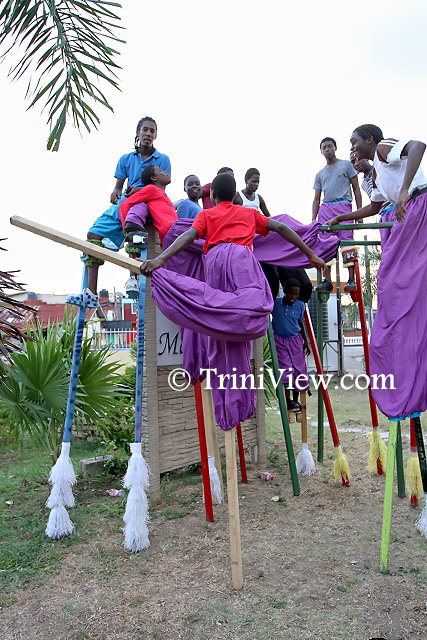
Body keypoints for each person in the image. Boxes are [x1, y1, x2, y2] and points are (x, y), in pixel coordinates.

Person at [139, 173, 325, 430]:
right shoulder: (247, 213)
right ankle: (241, 397)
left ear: (213, 196)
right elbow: (281, 228)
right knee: (246, 316)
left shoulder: (207, 215)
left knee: (220, 330)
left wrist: (161, 258)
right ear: (235, 195)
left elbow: (188, 237)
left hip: (215, 261)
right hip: (242, 260)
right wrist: (310, 254)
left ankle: (228, 407)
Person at [345, 124, 427, 419]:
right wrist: (343, 217)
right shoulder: (378, 174)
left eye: (354, 143)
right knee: (392, 283)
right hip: (409, 209)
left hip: (418, 202)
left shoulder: (382, 149)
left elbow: (418, 145)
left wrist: (404, 190)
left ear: (369, 139)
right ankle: (405, 353)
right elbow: (373, 208)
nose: (352, 149)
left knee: (396, 281)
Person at [66, 117, 171, 307]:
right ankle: (91, 293)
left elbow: (161, 188)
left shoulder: (162, 160)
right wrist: (115, 193)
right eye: (145, 130)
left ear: (156, 135)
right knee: (93, 234)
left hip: (146, 203)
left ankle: (133, 278)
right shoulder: (126, 159)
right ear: (138, 132)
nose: (148, 134)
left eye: (152, 131)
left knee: (133, 227)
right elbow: (118, 187)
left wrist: (139, 191)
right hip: (125, 201)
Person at [312, 137, 362, 292]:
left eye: (329, 146)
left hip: (343, 206)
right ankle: (327, 279)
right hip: (326, 208)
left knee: (347, 241)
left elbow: (356, 189)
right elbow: (316, 198)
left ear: (335, 147)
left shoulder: (346, 165)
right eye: (324, 148)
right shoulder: (320, 174)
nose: (327, 150)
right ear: (321, 151)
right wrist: (313, 219)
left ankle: (351, 279)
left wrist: (359, 213)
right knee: (325, 243)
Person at [272, 279, 310, 411]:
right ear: (285, 291)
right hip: (280, 340)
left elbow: (300, 323)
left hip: (296, 340)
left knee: (299, 369)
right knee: (286, 369)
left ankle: (295, 400)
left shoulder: (300, 305)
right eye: (290, 293)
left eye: (295, 294)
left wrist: (306, 341)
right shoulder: (275, 303)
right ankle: (287, 400)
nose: (292, 297)